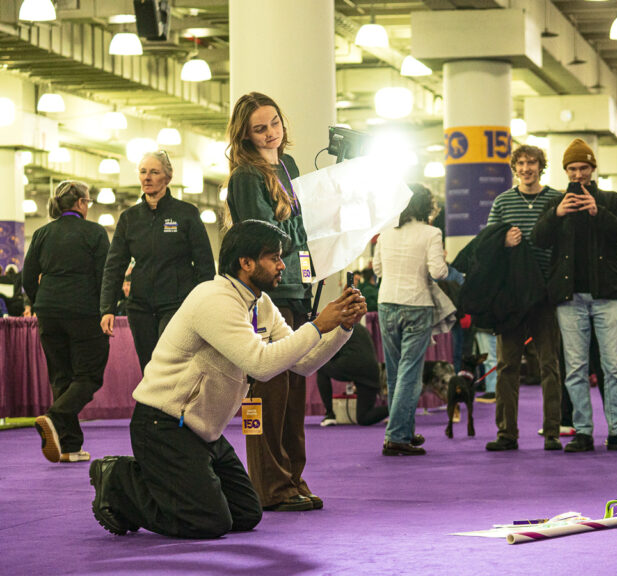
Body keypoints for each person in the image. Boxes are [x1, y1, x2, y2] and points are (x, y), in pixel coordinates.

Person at [87, 220, 365, 539]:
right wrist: (317, 326)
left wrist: (342, 327)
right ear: (245, 263)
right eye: (273, 257)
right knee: (208, 522)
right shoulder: (214, 300)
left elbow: (302, 364)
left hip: (204, 432)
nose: (281, 265)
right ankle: (120, 479)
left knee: (246, 514)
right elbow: (261, 365)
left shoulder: (260, 303)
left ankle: (163, 485)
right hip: (164, 426)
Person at [226, 92, 317, 511]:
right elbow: (264, 237)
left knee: (295, 392)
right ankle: (271, 486)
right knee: (269, 395)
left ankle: (292, 478)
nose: (270, 133)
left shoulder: (288, 166)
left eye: (274, 123)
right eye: (260, 128)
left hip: (298, 288)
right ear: (245, 134)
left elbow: (300, 224)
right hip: (268, 294)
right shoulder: (246, 175)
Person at [533, 138, 617, 452]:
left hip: (607, 294)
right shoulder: (553, 203)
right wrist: (556, 213)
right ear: (565, 171)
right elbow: (538, 239)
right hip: (569, 297)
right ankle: (582, 431)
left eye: (583, 168)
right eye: (572, 168)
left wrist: (599, 212)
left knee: (613, 366)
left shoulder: (612, 199)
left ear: (593, 169)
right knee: (575, 367)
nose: (578, 174)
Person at [480, 144, 564, 451]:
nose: (527, 168)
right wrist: (502, 239)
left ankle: (553, 431)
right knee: (506, 366)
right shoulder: (503, 202)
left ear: (541, 166)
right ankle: (506, 433)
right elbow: (487, 245)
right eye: (522, 163)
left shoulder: (555, 199)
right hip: (512, 297)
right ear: (514, 168)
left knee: (550, 365)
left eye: (532, 162)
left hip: (544, 294)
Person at [100, 151, 215, 371]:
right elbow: (114, 266)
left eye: (154, 172)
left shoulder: (186, 214)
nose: (147, 177)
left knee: (169, 365)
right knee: (149, 369)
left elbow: (205, 266)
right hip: (140, 307)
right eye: (143, 172)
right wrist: (107, 308)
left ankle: (171, 405)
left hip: (177, 304)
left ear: (168, 177)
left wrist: (203, 306)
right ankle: (153, 406)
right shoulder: (129, 218)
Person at [23, 181, 110, 464]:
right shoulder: (95, 233)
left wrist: (40, 303)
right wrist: (105, 309)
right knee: (88, 376)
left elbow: (27, 277)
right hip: (84, 311)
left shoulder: (42, 233)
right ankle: (53, 417)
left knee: (61, 376)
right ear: (82, 204)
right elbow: (104, 277)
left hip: (48, 311)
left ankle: (71, 446)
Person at [373, 185, 448, 456]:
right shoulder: (432, 233)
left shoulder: (385, 233)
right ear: (427, 206)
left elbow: (377, 269)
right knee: (410, 372)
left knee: (394, 372)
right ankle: (396, 436)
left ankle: (402, 430)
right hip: (417, 303)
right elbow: (438, 271)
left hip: (386, 303)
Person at [316, 323, 388, 427]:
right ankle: (396, 409)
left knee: (322, 369)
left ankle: (330, 414)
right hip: (371, 372)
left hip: (351, 364)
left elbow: (331, 354)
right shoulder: (362, 328)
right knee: (364, 418)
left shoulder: (338, 327)